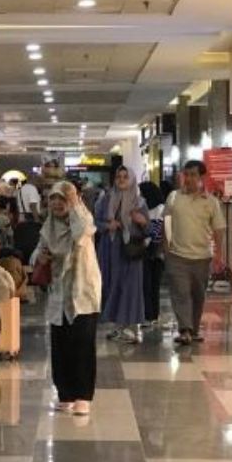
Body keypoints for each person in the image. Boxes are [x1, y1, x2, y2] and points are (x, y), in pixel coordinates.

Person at [36, 181, 103, 412]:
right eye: (53, 198)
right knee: (60, 344)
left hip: (83, 290)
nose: (57, 203)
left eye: (62, 199)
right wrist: (40, 257)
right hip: (59, 292)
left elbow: (80, 232)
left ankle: (83, 395)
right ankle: (65, 394)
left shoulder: (84, 219)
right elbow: (38, 250)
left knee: (82, 343)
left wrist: (74, 203)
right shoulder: (49, 226)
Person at [164, 160, 226, 345]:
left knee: (198, 295)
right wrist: (166, 247)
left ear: (201, 177)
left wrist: (219, 255)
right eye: (186, 174)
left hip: (202, 257)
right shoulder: (174, 197)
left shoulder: (211, 202)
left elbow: (219, 229)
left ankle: (194, 329)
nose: (189, 179)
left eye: (193, 175)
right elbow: (166, 222)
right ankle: (185, 330)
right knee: (181, 293)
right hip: (177, 255)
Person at [98, 167, 148, 344]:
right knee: (112, 285)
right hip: (110, 249)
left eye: (125, 177)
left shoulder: (139, 202)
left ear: (132, 180)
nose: (121, 179)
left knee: (130, 288)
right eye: (118, 176)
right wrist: (107, 226)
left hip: (131, 251)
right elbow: (95, 222)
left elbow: (150, 229)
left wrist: (142, 222)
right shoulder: (106, 200)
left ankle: (130, 328)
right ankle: (118, 326)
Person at [139, 182, 166, 327]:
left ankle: (152, 315)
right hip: (147, 250)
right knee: (147, 284)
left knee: (152, 284)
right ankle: (150, 314)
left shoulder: (160, 209)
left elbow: (158, 229)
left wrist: (146, 241)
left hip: (155, 251)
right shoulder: (145, 208)